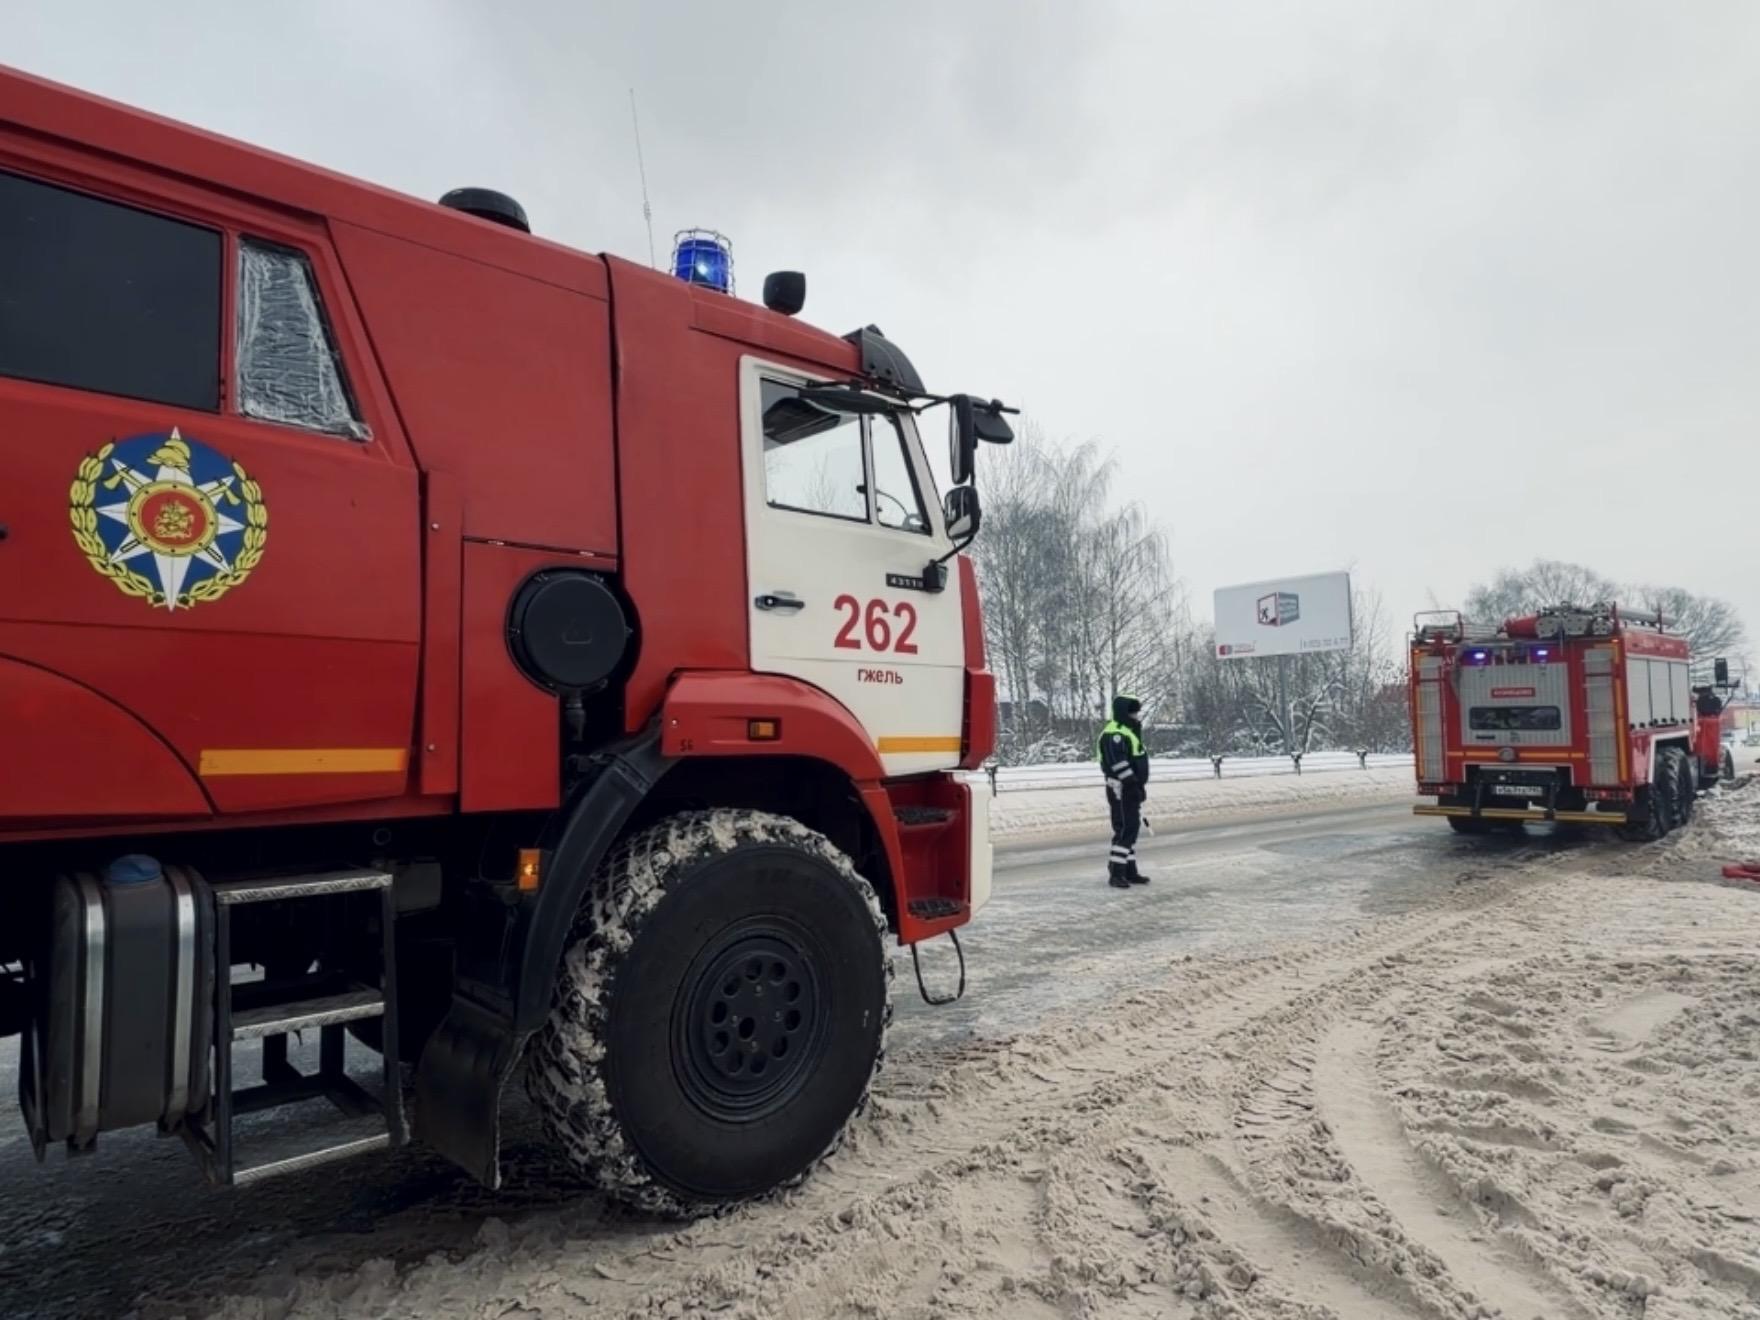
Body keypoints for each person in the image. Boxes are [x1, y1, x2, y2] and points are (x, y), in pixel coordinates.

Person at [1097, 695, 1151, 888]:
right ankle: (1117, 873)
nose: (1135, 715)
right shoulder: (1115, 733)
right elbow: (1118, 762)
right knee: (1126, 829)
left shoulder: (1128, 732)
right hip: (1120, 787)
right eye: (1132, 712)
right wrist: (1131, 783)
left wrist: (1138, 786)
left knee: (1130, 829)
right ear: (1123, 712)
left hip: (1129, 787)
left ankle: (1129, 871)